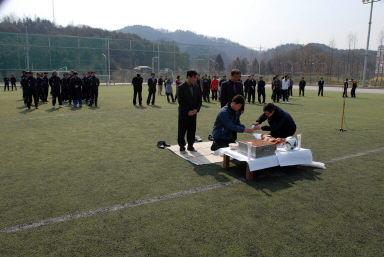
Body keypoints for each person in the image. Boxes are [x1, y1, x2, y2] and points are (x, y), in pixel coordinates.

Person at [177, 70, 202, 153]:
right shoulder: (181, 87)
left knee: (192, 130)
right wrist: (188, 111)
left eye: (196, 77)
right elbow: (181, 101)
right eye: (194, 77)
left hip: (194, 113)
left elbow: (199, 101)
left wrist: (196, 110)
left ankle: (190, 145)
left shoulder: (197, 87)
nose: (196, 79)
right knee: (182, 130)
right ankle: (182, 146)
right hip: (184, 113)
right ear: (188, 77)